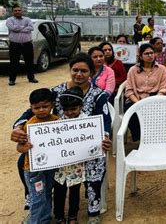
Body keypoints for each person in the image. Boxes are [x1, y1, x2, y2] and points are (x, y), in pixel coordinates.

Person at [11, 53, 112, 222]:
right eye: (75, 70)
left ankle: (93, 210)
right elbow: (31, 111)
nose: (79, 74)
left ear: (91, 73)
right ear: (70, 70)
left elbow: (105, 121)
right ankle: (37, 205)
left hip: (84, 149)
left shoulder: (98, 95)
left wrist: (105, 137)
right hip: (56, 147)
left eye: (84, 71)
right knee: (24, 162)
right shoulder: (56, 92)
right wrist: (17, 127)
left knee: (96, 161)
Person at [16, 89, 58, 224]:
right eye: (36, 108)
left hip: (50, 166)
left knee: (47, 194)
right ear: (31, 108)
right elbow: (19, 147)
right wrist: (25, 147)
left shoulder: (57, 122)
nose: (41, 110)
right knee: (37, 198)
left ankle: (45, 219)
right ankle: (35, 221)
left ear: (52, 105)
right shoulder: (29, 125)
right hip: (32, 169)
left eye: (44, 106)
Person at [53, 87, 87, 224]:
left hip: (77, 165)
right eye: (66, 110)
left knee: (74, 191)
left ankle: (73, 216)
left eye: (73, 109)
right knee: (59, 191)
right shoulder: (58, 122)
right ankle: (59, 216)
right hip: (60, 165)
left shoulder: (88, 123)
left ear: (81, 106)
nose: (70, 113)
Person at [125, 44, 166, 141]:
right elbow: (129, 91)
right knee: (132, 115)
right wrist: (139, 103)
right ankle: (140, 140)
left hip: (157, 99)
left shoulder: (162, 69)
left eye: (151, 53)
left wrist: (153, 102)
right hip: (136, 99)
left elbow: (165, 88)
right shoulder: (133, 70)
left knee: (158, 115)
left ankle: (155, 139)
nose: (150, 55)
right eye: (146, 54)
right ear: (141, 56)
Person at [6, 4, 38, 86]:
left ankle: (31, 78)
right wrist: (23, 27)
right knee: (14, 63)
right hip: (14, 45)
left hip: (27, 44)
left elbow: (31, 28)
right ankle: (12, 80)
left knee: (29, 62)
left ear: (22, 11)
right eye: (15, 10)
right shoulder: (9, 20)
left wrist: (18, 27)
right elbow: (12, 28)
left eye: (19, 10)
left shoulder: (27, 19)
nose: (17, 12)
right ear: (12, 12)